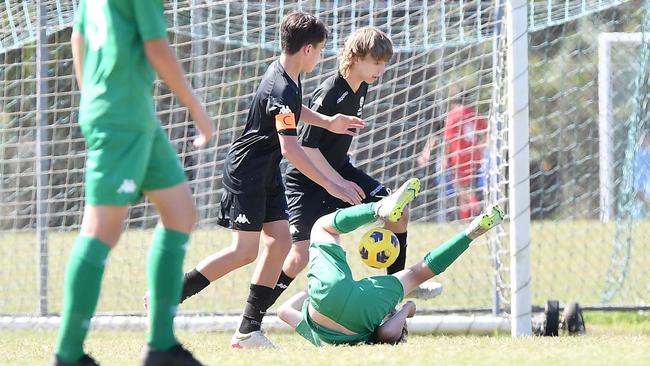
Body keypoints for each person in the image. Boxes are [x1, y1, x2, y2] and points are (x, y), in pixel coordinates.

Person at [152, 11, 365, 349]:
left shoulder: (288, 75)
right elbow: (291, 149)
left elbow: (294, 111)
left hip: (265, 173)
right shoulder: (281, 85)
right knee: (243, 251)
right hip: (247, 172)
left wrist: (328, 122)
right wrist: (333, 184)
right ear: (308, 49)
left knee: (280, 243)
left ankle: (248, 330)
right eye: (321, 49)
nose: (322, 56)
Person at [54, 1, 213, 365]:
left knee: (180, 213)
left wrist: (91, 94)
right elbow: (155, 46)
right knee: (100, 231)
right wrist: (196, 108)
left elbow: (78, 36)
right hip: (121, 118)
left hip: (136, 114)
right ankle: (67, 354)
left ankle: (161, 346)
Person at [257, 26, 441, 310]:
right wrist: (337, 184)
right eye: (376, 62)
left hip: (341, 171)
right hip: (306, 183)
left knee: (398, 211)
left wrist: (341, 163)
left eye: (384, 64)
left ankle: (398, 286)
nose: (381, 69)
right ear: (356, 57)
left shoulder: (363, 86)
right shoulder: (331, 90)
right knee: (299, 258)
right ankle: (256, 314)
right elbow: (306, 147)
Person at [277, 177, 504, 346]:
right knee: (323, 228)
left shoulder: (374, 335)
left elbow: (387, 334)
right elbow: (284, 311)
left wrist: (406, 309)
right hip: (326, 302)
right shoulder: (319, 340)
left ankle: (470, 234)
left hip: (359, 312)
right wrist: (314, 290)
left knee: (418, 274)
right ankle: (378, 209)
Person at [419, 93, 488, 220]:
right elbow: (485, 132)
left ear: (454, 103)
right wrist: (480, 146)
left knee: (461, 189)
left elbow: (447, 140)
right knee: (467, 188)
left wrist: (445, 158)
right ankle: (468, 218)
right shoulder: (475, 114)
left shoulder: (453, 116)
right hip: (474, 156)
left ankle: (475, 207)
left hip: (458, 157)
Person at [633, 131, 650, 219]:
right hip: (638, 176)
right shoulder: (637, 149)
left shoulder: (648, 151)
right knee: (638, 195)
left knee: (647, 196)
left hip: (647, 176)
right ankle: (638, 216)